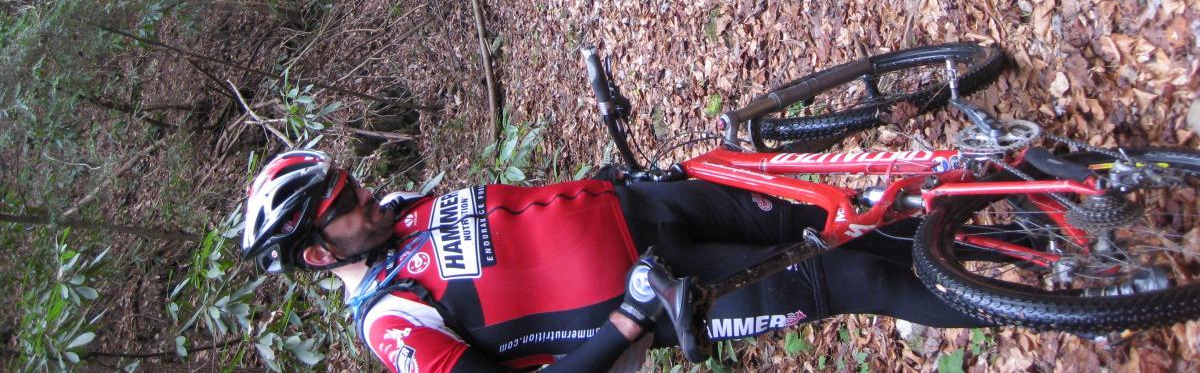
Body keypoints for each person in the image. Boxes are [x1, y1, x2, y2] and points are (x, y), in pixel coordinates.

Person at [242, 149, 986, 372]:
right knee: (857, 275)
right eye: (346, 204)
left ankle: (1030, 212)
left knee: (848, 216)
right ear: (317, 251)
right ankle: (1067, 291)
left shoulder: (399, 213)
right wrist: (629, 323)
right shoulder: (391, 323)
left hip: (653, 207)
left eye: (351, 183)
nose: (366, 196)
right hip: (668, 295)